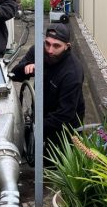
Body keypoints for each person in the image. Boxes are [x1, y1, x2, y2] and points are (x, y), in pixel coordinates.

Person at [10, 23, 85, 155]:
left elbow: (64, 115)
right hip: (41, 112)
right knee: (34, 155)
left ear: (67, 46)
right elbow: (14, 75)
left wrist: (37, 128)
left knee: (53, 166)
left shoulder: (72, 72)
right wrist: (27, 67)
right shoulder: (39, 51)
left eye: (56, 46)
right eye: (48, 44)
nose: (50, 50)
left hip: (65, 127)